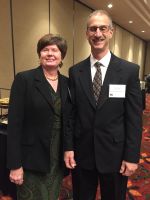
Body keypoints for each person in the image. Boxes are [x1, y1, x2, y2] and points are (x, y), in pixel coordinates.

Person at [64, 10, 143, 200]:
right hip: (82, 154)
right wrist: (68, 147)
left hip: (115, 155)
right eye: (92, 29)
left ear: (111, 32)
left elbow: (134, 119)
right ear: (86, 34)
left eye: (102, 28)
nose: (97, 34)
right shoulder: (75, 72)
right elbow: (71, 114)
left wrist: (131, 156)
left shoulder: (129, 71)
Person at [7, 33, 73, 200]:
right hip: (31, 157)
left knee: (52, 195)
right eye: (45, 50)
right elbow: (14, 125)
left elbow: (70, 121)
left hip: (57, 157)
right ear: (39, 54)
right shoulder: (25, 79)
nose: (50, 54)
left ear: (62, 55)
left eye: (55, 50)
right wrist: (15, 165)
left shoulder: (68, 83)